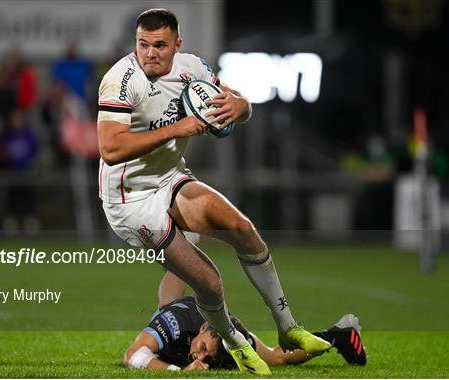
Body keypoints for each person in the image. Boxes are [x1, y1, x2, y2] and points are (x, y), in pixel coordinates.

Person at [97, 8, 330, 374]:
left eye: (159, 45)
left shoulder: (194, 69)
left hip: (170, 179)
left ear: (177, 45)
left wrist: (242, 106)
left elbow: (233, 104)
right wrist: (178, 129)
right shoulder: (121, 80)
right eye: (143, 45)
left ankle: (288, 327)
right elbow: (110, 150)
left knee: (242, 229)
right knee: (209, 283)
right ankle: (235, 344)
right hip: (130, 202)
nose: (150, 53)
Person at [123, 272, 367, 371]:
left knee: (276, 358)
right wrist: (176, 371)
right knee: (166, 302)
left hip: (225, 321)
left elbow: (277, 356)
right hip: (184, 310)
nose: (201, 359)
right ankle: (184, 240)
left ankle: (338, 334)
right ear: (203, 329)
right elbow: (132, 355)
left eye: (209, 358)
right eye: (203, 349)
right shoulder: (176, 322)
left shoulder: (231, 346)